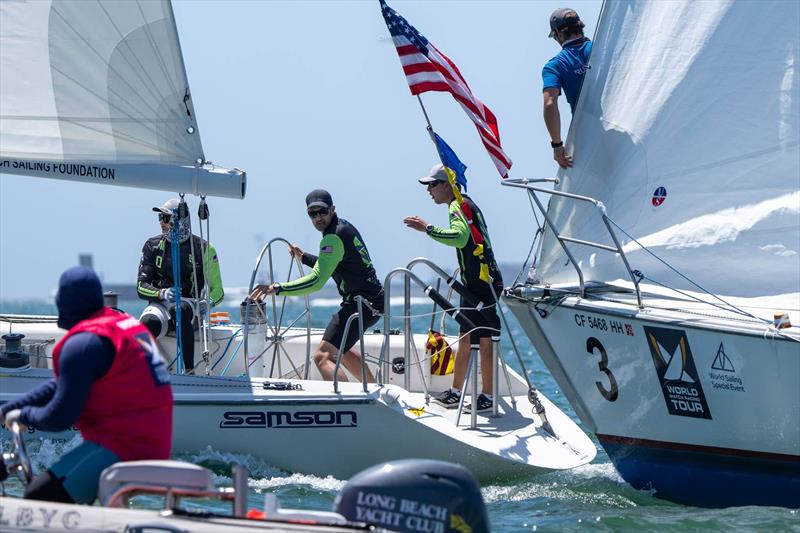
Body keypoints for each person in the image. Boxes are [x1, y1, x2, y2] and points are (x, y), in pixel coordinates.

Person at [0, 266, 173, 504]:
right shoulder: (124, 326)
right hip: (155, 446)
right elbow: (61, 384)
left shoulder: (83, 344)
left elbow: (61, 417)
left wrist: (23, 415)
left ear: (62, 302)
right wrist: (11, 408)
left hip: (123, 448)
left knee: (40, 497)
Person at [250, 189, 384, 382]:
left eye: (322, 211)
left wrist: (277, 288)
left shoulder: (333, 237)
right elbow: (332, 264)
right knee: (340, 350)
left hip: (362, 304)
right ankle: (372, 389)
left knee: (322, 356)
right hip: (372, 301)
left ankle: (347, 403)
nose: (318, 217)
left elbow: (316, 281)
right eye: (313, 214)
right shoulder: (343, 227)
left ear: (332, 209)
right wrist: (303, 257)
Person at [404, 164, 503, 413]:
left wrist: (427, 229)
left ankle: (488, 397)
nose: (429, 190)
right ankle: (457, 392)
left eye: (432, 185)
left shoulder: (458, 206)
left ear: (447, 185)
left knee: (485, 338)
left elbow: (460, 237)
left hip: (483, 283)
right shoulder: (463, 203)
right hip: (476, 281)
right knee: (466, 336)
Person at [137, 198, 224, 373]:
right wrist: (161, 293)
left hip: (189, 306)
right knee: (148, 322)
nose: (162, 222)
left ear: (181, 219)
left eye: (166, 218)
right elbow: (141, 286)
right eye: (160, 217)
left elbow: (218, 291)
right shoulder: (152, 246)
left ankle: (189, 371)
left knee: (180, 310)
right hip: (160, 302)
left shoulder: (204, 248)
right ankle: (143, 371)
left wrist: (208, 303)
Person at [542, 8, 592, 169]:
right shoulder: (602, 48)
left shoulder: (554, 65)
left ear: (558, 33)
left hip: (588, 134)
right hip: (626, 122)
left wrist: (557, 146)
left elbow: (550, 104)